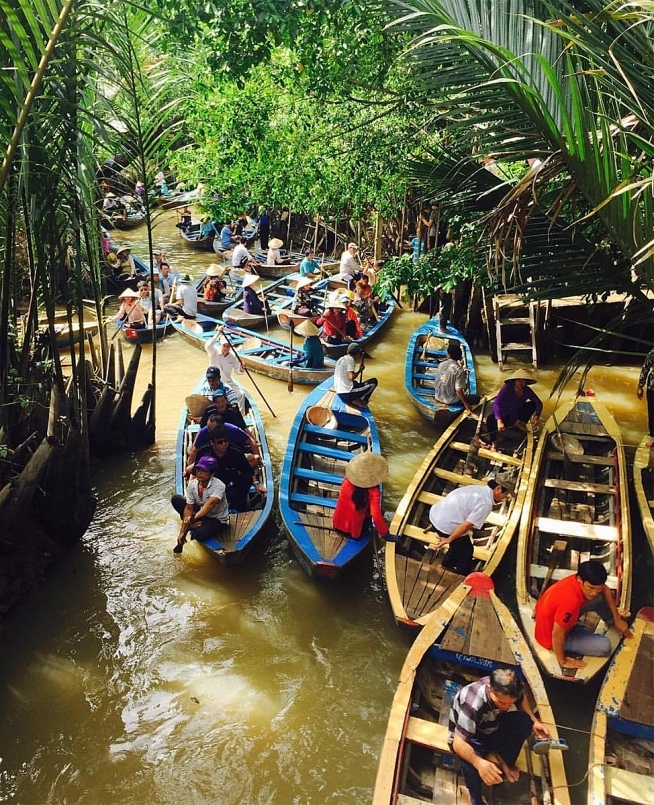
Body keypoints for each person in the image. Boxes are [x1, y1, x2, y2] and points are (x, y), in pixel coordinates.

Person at [449, 667, 550, 805]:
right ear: (489, 689)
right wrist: (479, 763)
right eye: (501, 702)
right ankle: (475, 798)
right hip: (471, 735)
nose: (506, 707)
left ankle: (504, 765)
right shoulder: (472, 703)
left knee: (525, 722)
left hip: (492, 725)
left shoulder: (512, 689)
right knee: (469, 765)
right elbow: (458, 743)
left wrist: (534, 721)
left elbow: (520, 699)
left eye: (510, 703)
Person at [534, 560, 632, 673]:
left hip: (559, 622)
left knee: (598, 599)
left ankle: (612, 623)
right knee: (605, 647)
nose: (594, 592)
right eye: (590, 588)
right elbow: (557, 635)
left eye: (597, 589)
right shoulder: (570, 601)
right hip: (550, 638)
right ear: (580, 580)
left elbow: (604, 589)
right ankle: (581, 632)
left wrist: (617, 619)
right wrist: (563, 661)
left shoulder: (576, 580)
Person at [424, 472, 515, 576]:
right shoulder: (486, 503)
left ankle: (447, 564)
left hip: (434, 514)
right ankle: (461, 576)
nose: (505, 497)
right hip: (445, 525)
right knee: (466, 551)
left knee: (459, 544)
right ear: (498, 488)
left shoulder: (477, 489)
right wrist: (449, 539)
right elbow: (467, 525)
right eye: (505, 493)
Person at [171, 456, 230, 552]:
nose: (199, 472)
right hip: (200, 513)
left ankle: (195, 525)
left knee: (197, 535)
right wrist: (183, 531)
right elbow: (189, 508)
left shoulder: (219, 486)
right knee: (176, 499)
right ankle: (193, 525)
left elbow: (210, 505)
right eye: (198, 469)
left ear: (212, 473)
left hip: (216, 519)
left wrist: (193, 519)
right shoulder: (192, 485)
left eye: (203, 470)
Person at [333, 452, 395, 541]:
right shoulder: (373, 492)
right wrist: (386, 534)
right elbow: (376, 516)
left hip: (337, 524)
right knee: (376, 513)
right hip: (355, 532)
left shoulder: (347, 480)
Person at [195, 425, 254, 511]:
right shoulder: (204, 452)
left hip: (231, 483)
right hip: (211, 484)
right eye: (220, 442)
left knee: (246, 479)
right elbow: (196, 472)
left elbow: (248, 471)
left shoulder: (235, 451)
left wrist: (256, 484)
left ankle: (236, 508)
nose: (224, 444)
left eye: (226, 441)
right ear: (212, 442)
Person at [485, 370, 542, 449]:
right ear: (514, 381)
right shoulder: (507, 388)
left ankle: (518, 422)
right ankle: (494, 443)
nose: (521, 382)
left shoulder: (527, 390)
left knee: (532, 404)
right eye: (519, 380)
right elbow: (497, 404)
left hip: (515, 414)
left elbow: (539, 403)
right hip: (504, 414)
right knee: (490, 419)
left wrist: (536, 417)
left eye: (523, 380)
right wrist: (499, 420)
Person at [185, 414, 260, 473]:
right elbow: (194, 451)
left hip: (233, 458)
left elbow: (250, 441)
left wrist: (257, 455)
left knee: (256, 459)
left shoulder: (233, 430)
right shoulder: (205, 432)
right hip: (212, 459)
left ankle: (237, 471)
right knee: (189, 469)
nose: (209, 430)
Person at [204, 331, 247, 414]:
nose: (226, 348)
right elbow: (208, 346)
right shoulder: (213, 351)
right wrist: (217, 333)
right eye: (224, 345)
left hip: (227, 382)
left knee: (241, 394)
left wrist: (241, 369)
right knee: (206, 398)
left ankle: (241, 415)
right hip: (213, 382)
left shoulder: (233, 356)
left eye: (228, 346)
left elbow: (237, 372)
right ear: (220, 344)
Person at [433, 341, 479, 414]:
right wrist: (466, 405)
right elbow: (458, 391)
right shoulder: (459, 370)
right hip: (450, 400)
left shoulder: (441, 364)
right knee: (477, 398)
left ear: (449, 355)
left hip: (437, 396)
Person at [333, 343, 378, 409]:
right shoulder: (350, 359)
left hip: (339, 390)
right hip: (346, 394)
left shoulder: (341, 359)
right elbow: (351, 376)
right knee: (373, 382)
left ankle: (355, 398)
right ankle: (361, 401)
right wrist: (360, 370)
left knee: (355, 383)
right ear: (357, 354)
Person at [637, 347, 654, 444]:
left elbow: (645, 368)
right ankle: (653, 436)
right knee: (652, 411)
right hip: (652, 387)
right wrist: (640, 385)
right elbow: (646, 367)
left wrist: (640, 385)